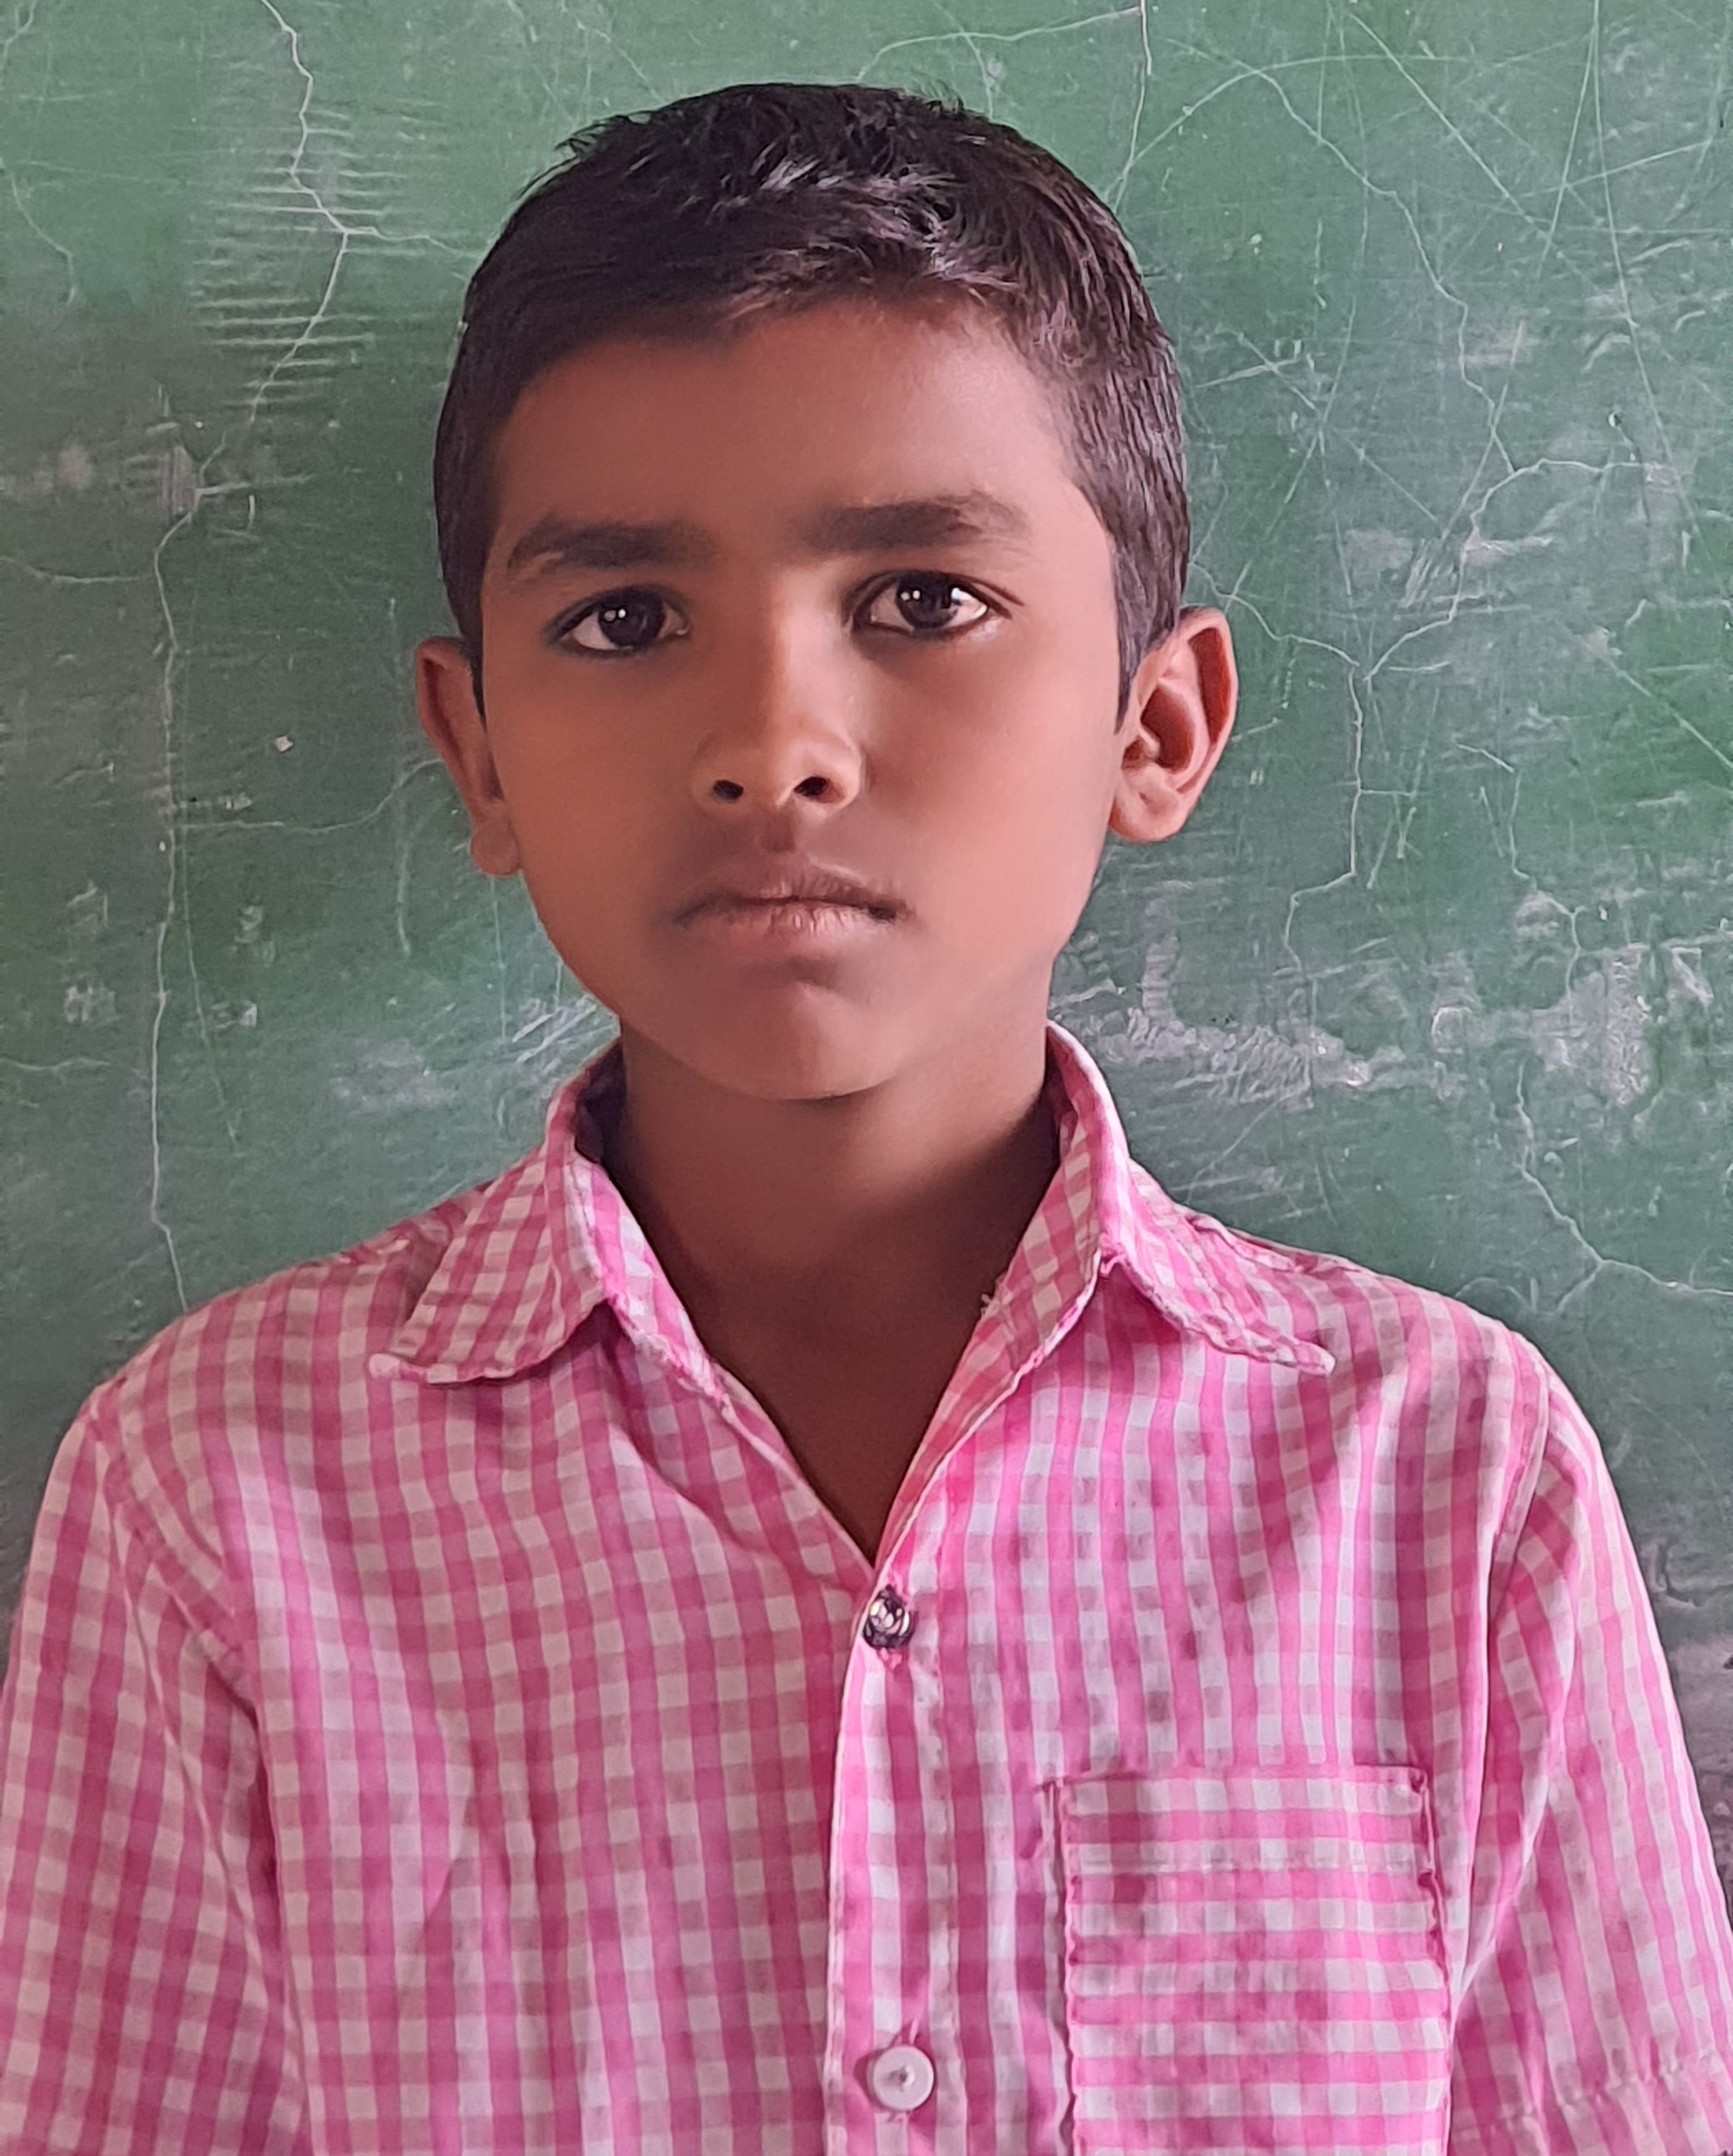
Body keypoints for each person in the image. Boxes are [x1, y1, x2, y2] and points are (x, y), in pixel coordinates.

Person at [1, 78, 1730, 2156]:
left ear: (1155, 721)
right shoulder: (218, 1495)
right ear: (481, 752)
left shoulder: (1441, 1479)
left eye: (920, 598)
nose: (773, 744)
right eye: (624, 620)